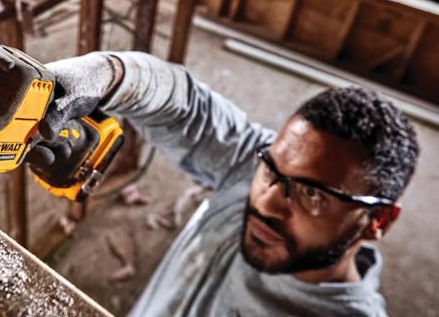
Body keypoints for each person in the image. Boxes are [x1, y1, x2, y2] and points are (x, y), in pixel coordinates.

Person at [27, 51, 419, 317]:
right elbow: (184, 106)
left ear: (378, 220)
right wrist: (104, 75)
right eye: (270, 168)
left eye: (311, 193)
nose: (267, 202)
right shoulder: (253, 169)